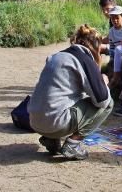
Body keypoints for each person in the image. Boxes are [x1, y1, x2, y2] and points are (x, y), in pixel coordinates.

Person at [28, 25, 113, 160]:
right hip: (55, 123)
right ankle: (72, 145)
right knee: (109, 103)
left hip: (34, 121)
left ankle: (51, 139)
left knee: (66, 100)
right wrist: (104, 82)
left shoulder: (56, 55)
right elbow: (103, 100)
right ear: (96, 47)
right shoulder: (85, 59)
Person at [107, 6, 122, 87]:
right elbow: (111, 46)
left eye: (117, 18)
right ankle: (113, 81)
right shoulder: (111, 31)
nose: (115, 20)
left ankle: (117, 80)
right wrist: (111, 58)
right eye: (112, 18)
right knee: (110, 65)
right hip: (116, 54)